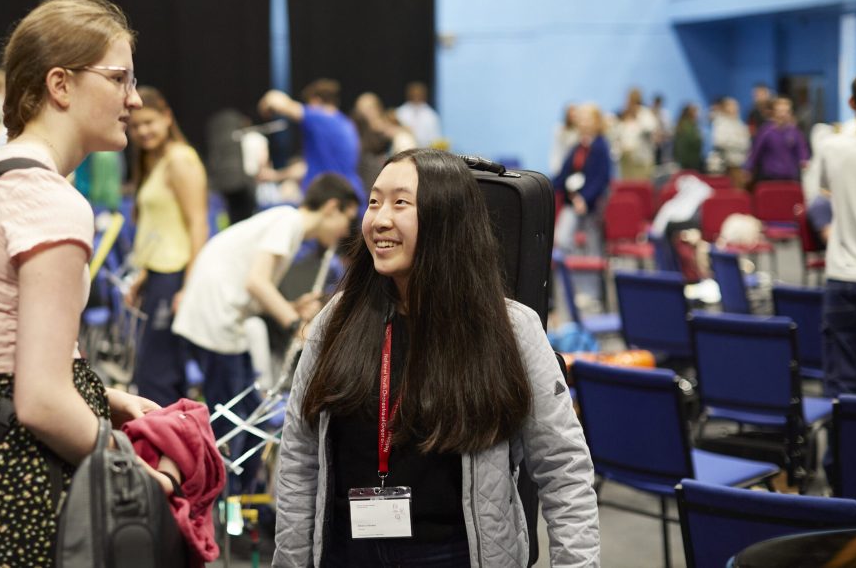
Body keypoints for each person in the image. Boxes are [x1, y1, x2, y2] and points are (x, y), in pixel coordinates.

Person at [274, 148, 599, 567]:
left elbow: (563, 468)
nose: (380, 219)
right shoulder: (336, 320)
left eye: (400, 203)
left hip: (456, 554)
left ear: (445, 219)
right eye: (374, 202)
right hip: (347, 551)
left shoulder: (510, 329)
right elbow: (300, 458)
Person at [0, 0, 180, 567]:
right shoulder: (50, 202)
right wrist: (128, 471)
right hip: (26, 476)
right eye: (119, 79)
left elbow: (3, 355)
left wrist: (103, 398)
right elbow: (38, 399)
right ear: (60, 84)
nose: (133, 98)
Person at [172, 173, 360, 492]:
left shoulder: (286, 224)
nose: (345, 230)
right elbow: (256, 283)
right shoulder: (288, 223)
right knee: (232, 422)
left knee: (250, 414)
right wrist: (295, 324)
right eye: (346, 219)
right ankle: (223, 500)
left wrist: (291, 306)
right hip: (216, 320)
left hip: (224, 320)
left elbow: (254, 283)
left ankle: (239, 498)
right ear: (331, 207)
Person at [126, 85, 208, 406]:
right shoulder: (154, 163)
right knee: (155, 373)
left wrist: (189, 286)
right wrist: (144, 277)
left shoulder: (180, 160)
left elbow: (198, 224)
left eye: (149, 122)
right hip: (159, 277)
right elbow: (163, 229)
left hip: (176, 278)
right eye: (135, 125)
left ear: (167, 117)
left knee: (157, 376)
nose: (142, 131)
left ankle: (164, 450)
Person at [816, 69, 856, 401]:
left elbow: (821, 197)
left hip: (843, 277)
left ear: (850, 102)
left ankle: (843, 453)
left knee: (842, 387)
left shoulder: (832, 148)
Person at [258, 79, 364, 202]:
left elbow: (275, 100)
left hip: (330, 200)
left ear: (315, 101)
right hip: (347, 197)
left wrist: (265, 105)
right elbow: (307, 167)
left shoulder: (320, 118)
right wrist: (275, 176)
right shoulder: (346, 124)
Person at [554, 103, 612, 257]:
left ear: (596, 121)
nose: (582, 122)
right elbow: (564, 175)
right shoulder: (577, 145)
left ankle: (591, 279)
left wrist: (584, 198)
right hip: (573, 201)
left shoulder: (601, 146)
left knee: (592, 247)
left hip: (591, 205)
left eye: (587, 119)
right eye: (581, 119)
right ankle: (572, 273)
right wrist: (545, 186)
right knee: (563, 239)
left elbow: (601, 178)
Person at [744, 96, 810, 185]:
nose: (783, 114)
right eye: (780, 111)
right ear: (773, 112)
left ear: (790, 113)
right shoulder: (765, 131)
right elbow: (755, 152)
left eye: (786, 111)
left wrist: (804, 163)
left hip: (790, 177)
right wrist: (748, 168)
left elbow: (802, 151)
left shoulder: (795, 132)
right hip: (769, 177)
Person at [394, 81, 442, 147]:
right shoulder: (400, 112)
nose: (416, 96)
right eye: (414, 93)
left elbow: (435, 139)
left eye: (419, 94)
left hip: (424, 151)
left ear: (424, 95)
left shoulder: (431, 115)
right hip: (405, 149)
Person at [673, 102, 704, 172]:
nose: (698, 114)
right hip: (688, 161)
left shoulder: (690, 125)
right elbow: (690, 141)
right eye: (695, 112)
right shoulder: (686, 126)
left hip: (688, 160)